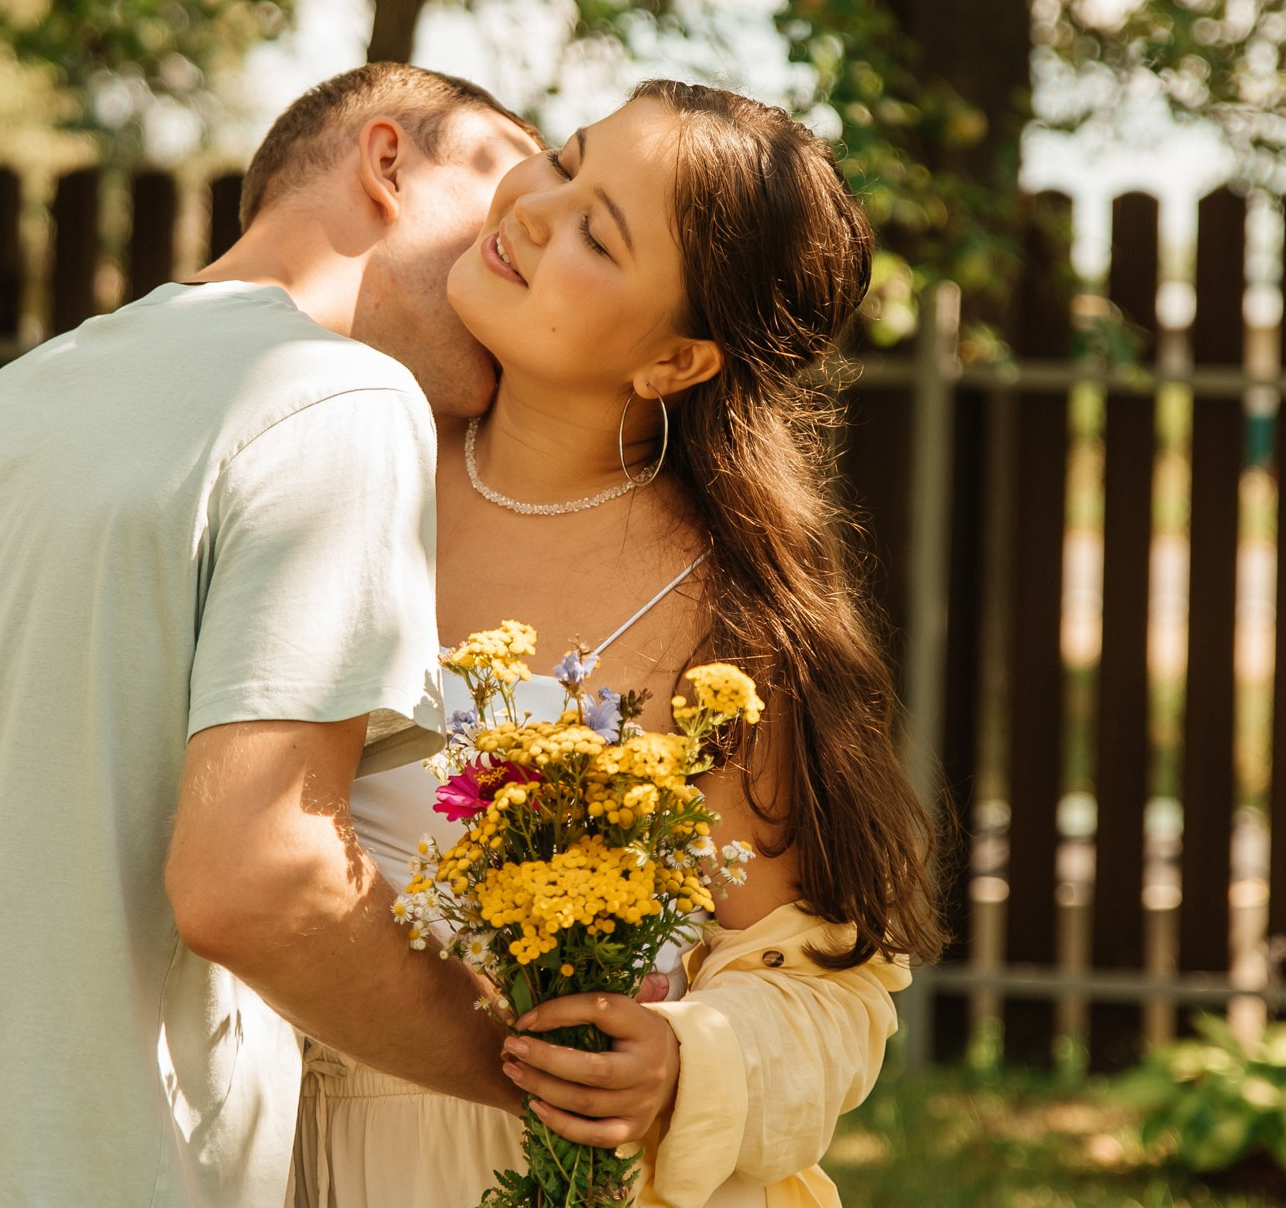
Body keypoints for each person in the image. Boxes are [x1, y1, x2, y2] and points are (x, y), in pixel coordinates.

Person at [0, 63, 539, 1207]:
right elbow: (259, 882)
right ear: (386, 163)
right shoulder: (338, 396)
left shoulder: (13, 401)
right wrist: (541, 1072)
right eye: (508, 211)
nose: (523, 264)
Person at [290, 80, 947, 1208]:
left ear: (675, 362)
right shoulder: (337, 464)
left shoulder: (726, 622)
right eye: (564, 158)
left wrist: (685, 1062)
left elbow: (819, 991)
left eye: (598, 233)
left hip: (551, 1172)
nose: (534, 207)